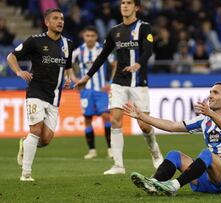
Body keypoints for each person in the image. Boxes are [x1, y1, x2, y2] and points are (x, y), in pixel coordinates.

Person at [75, 0, 163, 175]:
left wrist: (138, 64)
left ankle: (155, 153)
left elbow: (148, 50)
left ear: (136, 7)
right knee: (115, 119)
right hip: (119, 83)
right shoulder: (114, 31)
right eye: (123, 3)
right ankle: (118, 165)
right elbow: (102, 56)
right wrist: (86, 76)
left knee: (144, 125)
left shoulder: (144, 27)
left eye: (129, 3)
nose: (125, 5)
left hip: (139, 82)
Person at [123, 82, 221, 196]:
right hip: (211, 180)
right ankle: (153, 184)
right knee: (174, 155)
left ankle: (174, 186)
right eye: (210, 92)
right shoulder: (204, 120)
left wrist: (211, 113)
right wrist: (142, 116)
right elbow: (172, 126)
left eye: (215, 92)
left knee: (207, 154)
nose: (210, 95)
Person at [7, 8, 74, 181]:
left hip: (54, 97)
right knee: (35, 130)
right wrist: (18, 71)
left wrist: (68, 78)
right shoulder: (35, 41)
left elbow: (67, 66)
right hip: (36, 92)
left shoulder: (68, 44)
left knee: (45, 139)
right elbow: (11, 57)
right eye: (55, 18)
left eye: (61, 18)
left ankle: (25, 143)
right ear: (47, 22)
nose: (60, 21)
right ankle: (26, 174)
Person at [71, 26, 116, 159]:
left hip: (101, 90)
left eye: (92, 36)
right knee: (87, 119)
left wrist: (110, 82)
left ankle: (110, 149)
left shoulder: (102, 49)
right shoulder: (79, 51)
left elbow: (116, 64)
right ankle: (92, 150)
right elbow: (68, 65)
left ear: (96, 37)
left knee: (106, 116)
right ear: (83, 37)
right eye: (87, 35)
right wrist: (74, 79)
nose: (89, 38)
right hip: (86, 91)